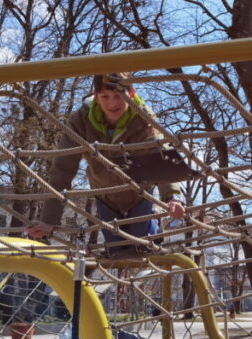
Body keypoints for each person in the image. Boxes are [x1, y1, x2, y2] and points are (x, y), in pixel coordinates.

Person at [25, 73, 185, 251]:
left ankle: (153, 227)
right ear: (96, 95)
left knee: (143, 244)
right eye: (105, 96)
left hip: (138, 193)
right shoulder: (81, 120)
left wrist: (172, 197)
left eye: (118, 96)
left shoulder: (143, 118)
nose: (112, 103)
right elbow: (62, 169)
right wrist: (49, 220)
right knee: (117, 248)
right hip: (105, 195)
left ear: (131, 93)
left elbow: (161, 157)